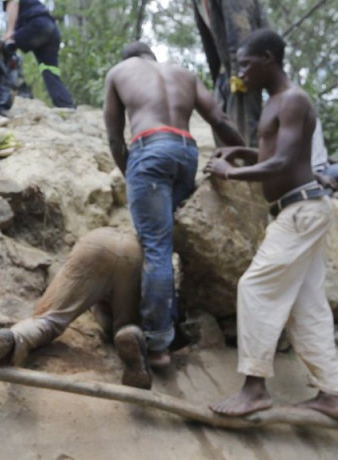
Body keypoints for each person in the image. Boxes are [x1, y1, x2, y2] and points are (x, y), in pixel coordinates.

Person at [203, 29, 338, 419]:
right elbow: (281, 152)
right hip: (300, 210)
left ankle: (254, 389)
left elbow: (284, 163)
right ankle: (332, 396)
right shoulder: (278, 103)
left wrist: (228, 174)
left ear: (269, 58)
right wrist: (242, 151)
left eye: (247, 64)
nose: (242, 73)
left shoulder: (294, 99)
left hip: (300, 211)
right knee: (308, 305)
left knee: (254, 288)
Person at [103, 41, 246, 369]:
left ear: (129, 60)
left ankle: (157, 343)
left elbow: (114, 135)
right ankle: (178, 321)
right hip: (186, 152)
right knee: (168, 243)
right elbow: (220, 119)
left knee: (156, 247)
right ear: (152, 57)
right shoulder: (183, 72)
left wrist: (132, 173)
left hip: (150, 148)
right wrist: (249, 154)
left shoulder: (119, 72)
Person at [0, 227, 153, 389]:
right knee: (125, 325)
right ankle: (130, 334)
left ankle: (15, 337)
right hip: (135, 253)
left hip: (96, 240)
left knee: (49, 319)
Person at [2, 0, 76, 109]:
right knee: (50, 70)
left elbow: (13, 3)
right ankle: (66, 105)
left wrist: (9, 33)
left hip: (36, 26)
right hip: (50, 29)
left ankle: (3, 97)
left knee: (4, 47)